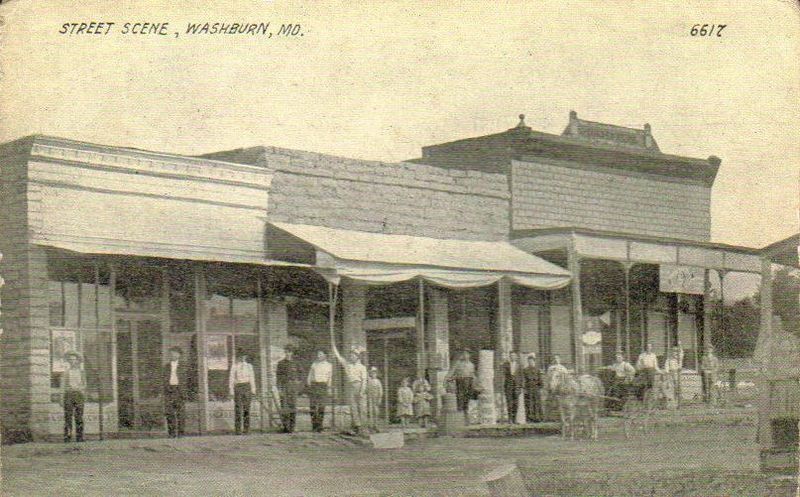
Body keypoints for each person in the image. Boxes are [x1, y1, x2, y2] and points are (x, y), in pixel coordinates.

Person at [332, 345, 368, 432]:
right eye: (351, 356)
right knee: (353, 407)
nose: (352, 357)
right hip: (351, 386)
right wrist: (334, 349)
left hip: (359, 386)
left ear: (357, 357)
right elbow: (340, 359)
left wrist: (362, 391)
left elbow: (364, 380)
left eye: (353, 355)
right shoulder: (348, 365)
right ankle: (357, 426)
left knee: (362, 407)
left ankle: (364, 426)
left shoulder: (362, 367)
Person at [276, 347, 304, 433]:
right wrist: (279, 389)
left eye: (289, 352)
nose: (288, 353)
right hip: (284, 386)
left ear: (292, 353)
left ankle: (292, 427)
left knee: (293, 406)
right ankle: (285, 427)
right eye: (286, 352)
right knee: (284, 406)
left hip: (293, 387)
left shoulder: (296, 363)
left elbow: (302, 373)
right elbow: (278, 377)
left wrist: (298, 384)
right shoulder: (281, 363)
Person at [163, 346, 189, 438]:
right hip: (169, 391)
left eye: (175, 353)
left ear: (179, 355)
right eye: (171, 353)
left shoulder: (184, 366)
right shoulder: (166, 366)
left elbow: (189, 379)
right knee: (169, 413)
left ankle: (181, 433)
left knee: (181, 413)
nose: (172, 355)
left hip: (179, 391)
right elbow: (163, 379)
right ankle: (171, 433)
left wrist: (186, 392)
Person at [228, 351, 256, 435]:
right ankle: (238, 430)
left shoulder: (249, 366)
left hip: (247, 387)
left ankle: (246, 429)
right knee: (238, 409)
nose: (242, 358)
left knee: (246, 409)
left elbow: (252, 378)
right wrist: (231, 391)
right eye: (241, 356)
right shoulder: (234, 366)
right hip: (238, 387)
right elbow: (231, 379)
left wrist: (253, 390)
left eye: (244, 356)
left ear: (246, 356)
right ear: (238, 357)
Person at [62, 351, 86, 443]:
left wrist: (80, 388)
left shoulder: (81, 372)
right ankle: (67, 436)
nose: (73, 362)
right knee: (68, 416)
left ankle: (80, 437)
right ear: (68, 361)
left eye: (74, 360)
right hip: (69, 395)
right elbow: (63, 385)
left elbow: (85, 385)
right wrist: (67, 390)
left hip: (79, 395)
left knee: (79, 416)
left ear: (78, 361)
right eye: (71, 360)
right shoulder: (66, 372)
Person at [306, 350, 332, 433]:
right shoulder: (314, 364)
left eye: (320, 354)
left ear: (325, 355)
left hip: (323, 386)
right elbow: (309, 375)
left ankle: (319, 426)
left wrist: (329, 387)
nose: (318, 356)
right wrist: (309, 384)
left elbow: (329, 378)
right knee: (313, 406)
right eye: (318, 354)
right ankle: (314, 425)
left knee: (321, 406)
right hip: (314, 385)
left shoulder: (329, 365)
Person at [447, 351, 475, 421]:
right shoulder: (458, 363)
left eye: (467, 354)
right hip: (460, 381)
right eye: (464, 354)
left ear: (469, 355)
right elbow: (452, 372)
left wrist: (476, 383)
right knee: (460, 398)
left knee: (467, 398)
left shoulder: (471, 365)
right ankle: (460, 415)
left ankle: (466, 415)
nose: (465, 355)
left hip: (469, 382)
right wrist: (449, 379)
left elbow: (473, 375)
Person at [503, 352, 524, 424]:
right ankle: (510, 419)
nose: (512, 357)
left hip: (517, 386)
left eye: (514, 356)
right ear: (509, 357)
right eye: (511, 356)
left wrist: (521, 387)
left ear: (516, 357)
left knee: (516, 403)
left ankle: (514, 419)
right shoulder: (506, 365)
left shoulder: (519, 365)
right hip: (508, 385)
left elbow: (521, 377)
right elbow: (503, 373)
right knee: (509, 402)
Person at [522, 354, 543, 423]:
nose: (531, 362)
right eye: (529, 361)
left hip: (536, 388)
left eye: (532, 361)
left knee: (537, 403)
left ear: (534, 361)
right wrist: (524, 389)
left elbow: (540, 380)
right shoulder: (525, 370)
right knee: (529, 403)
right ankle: (530, 418)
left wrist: (541, 387)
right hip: (529, 389)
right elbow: (524, 380)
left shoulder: (537, 370)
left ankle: (538, 418)